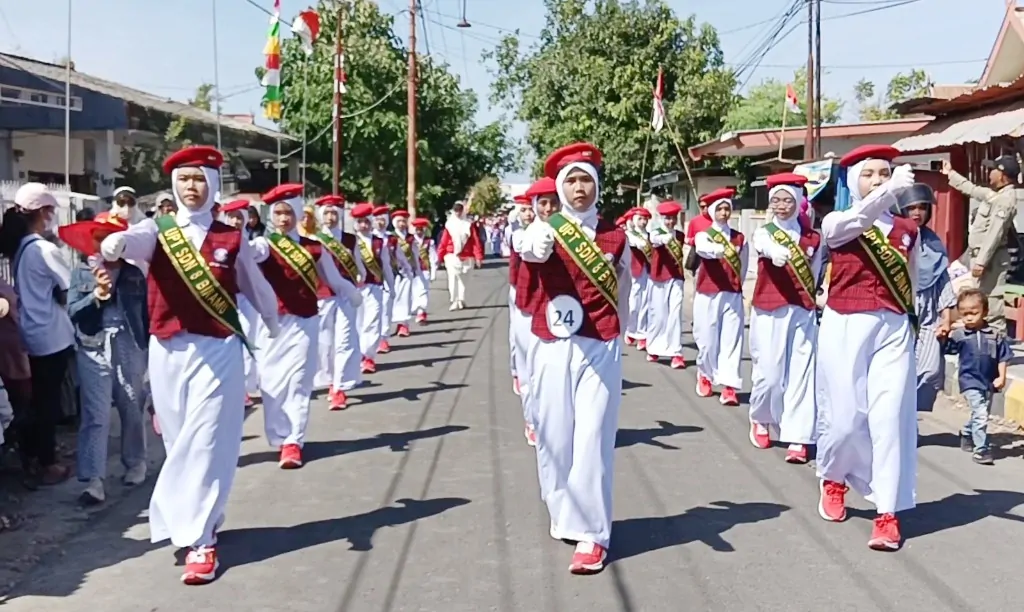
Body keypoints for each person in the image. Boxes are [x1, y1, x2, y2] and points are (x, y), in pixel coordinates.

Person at [99, 145, 281, 585]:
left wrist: (273, 321)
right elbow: (135, 241)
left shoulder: (229, 237)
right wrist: (117, 242)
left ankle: (200, 540)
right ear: (174, 187)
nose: (191, 187)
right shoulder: (159, 231)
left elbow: (254, 286)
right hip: (167, 351)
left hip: (217, 350)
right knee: (180, 440)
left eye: (199, 179)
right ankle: (202, 516)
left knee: (205, 442)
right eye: (183, 180)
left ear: (213, 184)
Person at [518, 142, 629, 574]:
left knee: (593, 437)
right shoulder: (545, 229)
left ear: (597, 186)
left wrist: (625, 334)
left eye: (587, 180)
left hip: (600, 343)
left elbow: (622, 290)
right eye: (572, 181)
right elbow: (530, 250)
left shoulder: (615, 236)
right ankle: (565, 511)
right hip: (551, 343)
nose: (580, 188)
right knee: (555, 435)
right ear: (560, 188)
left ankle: (592, 534)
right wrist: (535, 239)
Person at [814, 144, 917, 551]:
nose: (878, 179)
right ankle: (834, 477)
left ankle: (887, 512)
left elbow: (912, 280)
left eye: (885, 172)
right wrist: (887, 193)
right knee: (844, 419)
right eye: (870, 173)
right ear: (854, 180)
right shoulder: (838, 220)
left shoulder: (907, 231)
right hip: (846, 324)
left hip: (892, 327)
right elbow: (854, 223)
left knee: (889, 419)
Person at [251, 184, 359, 467]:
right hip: (272, 324)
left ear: (298, 213)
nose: (283, 219)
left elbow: (333, 280)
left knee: (299, 381)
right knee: (271, 382)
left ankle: (292, 442)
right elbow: (253, 254)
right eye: (278, 213)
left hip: (305, 321)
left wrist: (351, 292)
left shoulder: (314, 247)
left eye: (288, 213)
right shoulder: (265, 244)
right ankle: (278, 434)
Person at [63, 213, 149, 504]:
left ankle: (135, 462)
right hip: (93, 346)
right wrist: (96, 296)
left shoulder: (134, 273)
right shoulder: (81, 273)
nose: (104, 245)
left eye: (110, 239)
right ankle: (93, 480)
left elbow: (146, 315)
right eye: (98, 239)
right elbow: (73, 311)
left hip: (128, 343)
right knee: (95, 414)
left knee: (131, 405)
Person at [0, 183, 75, 486]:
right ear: (44, 212)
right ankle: (47, 462)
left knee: (38, 400)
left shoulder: (20, 247)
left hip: (30, 332)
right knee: (48, 403)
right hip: (52, 335)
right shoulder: (44, 249)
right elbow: (68, 288)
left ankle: (35, 455)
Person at [747, 173, 823, 464]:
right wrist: (776, 252)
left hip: (802, 310)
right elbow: (763, 244)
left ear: (799, 202)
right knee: (770, 374)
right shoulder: (765, 232)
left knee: (802, 374)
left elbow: (814, 273)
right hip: (769, 309)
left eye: (787, 200)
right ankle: (761, 417)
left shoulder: (812, 238)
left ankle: (798, 435)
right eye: (776, 200)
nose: (781, 205)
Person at [941, 154, 1020, 334]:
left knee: (991, 305)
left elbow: (995, 233)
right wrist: (951, 174)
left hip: (990, 262)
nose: (989, 172)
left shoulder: (1006, 200)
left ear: (1002, 174)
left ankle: (998, 352)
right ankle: (982, 347)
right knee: (977, 300)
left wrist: (981, 261)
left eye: (992, 169)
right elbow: (974, 190)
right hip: (979, 258)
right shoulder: (996, 195)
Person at [895, 184, 955, 413]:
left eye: (922, 207)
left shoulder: (934, 243)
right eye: (911, 208)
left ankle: (911, 414)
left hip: (929, 318)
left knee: (930, 371)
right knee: (900, 372)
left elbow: (943, 280)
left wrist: (946, 319)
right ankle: (902, 422)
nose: (917, 213)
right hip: (900, 314)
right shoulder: (892, 238)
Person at [692, 191, 747, 405]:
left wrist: (737, 285)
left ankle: (729, 385)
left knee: (732, 339)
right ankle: (705, 372)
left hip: (731, 293)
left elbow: (742, 266)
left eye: (727, 208)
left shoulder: (739, 237)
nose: (724, 213)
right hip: (708, 292)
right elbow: (705, 251)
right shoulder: (703, 235)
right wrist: (721, 249)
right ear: (712, 211)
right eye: (720, 209)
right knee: (707, 338)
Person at [511, 177, 555, 447]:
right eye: (543, 203)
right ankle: (533, 421)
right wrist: (538, 245)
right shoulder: (524, 232)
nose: (549, 209)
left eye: (554, 202)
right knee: (531, 373)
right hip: (529, 309)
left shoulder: (573, 231)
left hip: (561, 315)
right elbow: (526, 247)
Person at [311, 194, 365, 410]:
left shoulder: (350, 240)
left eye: (334, 213)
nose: (331, 217)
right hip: (323, 296)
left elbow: (360, 268)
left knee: (344, 341)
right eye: (327, 213)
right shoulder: (314, 240)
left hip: (345, 297)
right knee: (325, 343)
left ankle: (339, 388)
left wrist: (357, 283)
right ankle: (328, 380)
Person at [947, 288, 1011, 465]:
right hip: (969, 380)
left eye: (973, 313)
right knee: (981, 414)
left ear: (985, 312)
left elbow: (1004, 357)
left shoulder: (995, 335)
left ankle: (967, 432)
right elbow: (948, 349)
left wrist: (1002, 377)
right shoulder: (960, 335)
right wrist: (945, 336)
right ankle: (981, 450)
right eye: (964, 314)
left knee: (981, 414)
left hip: (989, 381)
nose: (969, 317)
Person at [219, 200, 263, 405]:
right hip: (222, 298)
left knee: (246, 338)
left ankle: (244, 387)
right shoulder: (217, 238)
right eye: (232, 217)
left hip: (246, 297)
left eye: (239, 217)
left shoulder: (252, 241)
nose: (235, 221)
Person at [645, 201, 688, 368]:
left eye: (673, 218)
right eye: (667, 218)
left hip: (676, 277)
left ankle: (676, 352)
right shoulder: (656, 232)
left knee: (675, 314)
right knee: (658, 314)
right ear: (662, 219)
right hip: (658, 278)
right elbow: (655, 240)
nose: (670, 221)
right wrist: (665, 238)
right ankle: (654, 347)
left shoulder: (679, 235)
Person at [352, 203, 392, 374]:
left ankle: (368, 356)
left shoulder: (379, 242)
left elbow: (387, 266)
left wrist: (391, 286)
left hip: (375, 286)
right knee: (357, 323)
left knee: (373, 321)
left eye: (366, 221)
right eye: (360, 222)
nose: (364, 225)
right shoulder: (350, 241)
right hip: (355, 288)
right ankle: (357, 355)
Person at [438, 202, 484, 310]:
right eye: (456, 210)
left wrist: (478, 257)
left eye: (460, 210)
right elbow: (443, 242)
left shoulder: (468, 225)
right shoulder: (449, 225)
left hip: (467, 256)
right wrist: (439, 257)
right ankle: (454, 300)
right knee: (453, 278)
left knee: (464, 279)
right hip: (452, 255)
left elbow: (475, 241)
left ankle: (461, 299)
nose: (458, 212)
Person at [506, 195, 530, 396]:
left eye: (531, 209)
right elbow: (519, 244)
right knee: (518, 333)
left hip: (540, 289)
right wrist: (514, 217)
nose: (529, 214)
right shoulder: (513, 231)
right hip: (518, 287)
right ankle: (518, 372)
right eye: (524, 210)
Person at [624, 207, 652, 349]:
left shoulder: (650, 235)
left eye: (645, 219)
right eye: (640, 219)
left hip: (648, 271)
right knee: (634, 303)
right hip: (634, 271)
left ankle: (642, 334)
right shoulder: (629, 234)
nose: (643, 222)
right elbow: (636, 244)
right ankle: (630, 329)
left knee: (646, 302)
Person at [372, 206, 399, 352]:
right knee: (371, 314)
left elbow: (398, 257)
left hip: (388, 277)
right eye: (377, 219)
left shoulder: (392, 238)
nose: (380, 223)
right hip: (370, 282)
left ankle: (383, 338)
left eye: (383, 220)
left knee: (386, 310)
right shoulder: (367, 239)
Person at [389, 210, 418, 338]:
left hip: (406, 272)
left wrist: (415, 268)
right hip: (391, 272)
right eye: (398, 221)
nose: (401, 224)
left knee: (405, 298)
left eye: (403, 221)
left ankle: (403, 324)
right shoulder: (390, 237)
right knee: (391, 300)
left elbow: (415, 255)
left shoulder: (411, 238)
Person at [410, 218, 438, 324]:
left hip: (425, 270)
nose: (419, 231)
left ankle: (421, 313)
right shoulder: (411, 241)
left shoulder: (429, 241)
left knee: (423, 291)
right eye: (417, 229)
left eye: (421, 229)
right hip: (413, 271)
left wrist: (433, 272)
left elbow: (433, 257)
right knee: (414, 292)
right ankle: (416, 311)